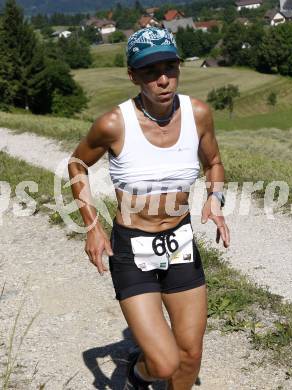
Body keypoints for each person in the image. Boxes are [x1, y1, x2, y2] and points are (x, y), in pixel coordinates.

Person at [68, 27, 230, 390]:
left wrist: (215, 199)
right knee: (164, 361)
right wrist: (92, 226)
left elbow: (214, 162)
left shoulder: (198, 113)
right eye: (149, 71)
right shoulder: (114, 123)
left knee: (189, 357)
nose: (162, 79)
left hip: (180, 243)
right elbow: (77, 164)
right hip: (132, 248)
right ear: (132, 75)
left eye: (170, 67)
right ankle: (137, 374)